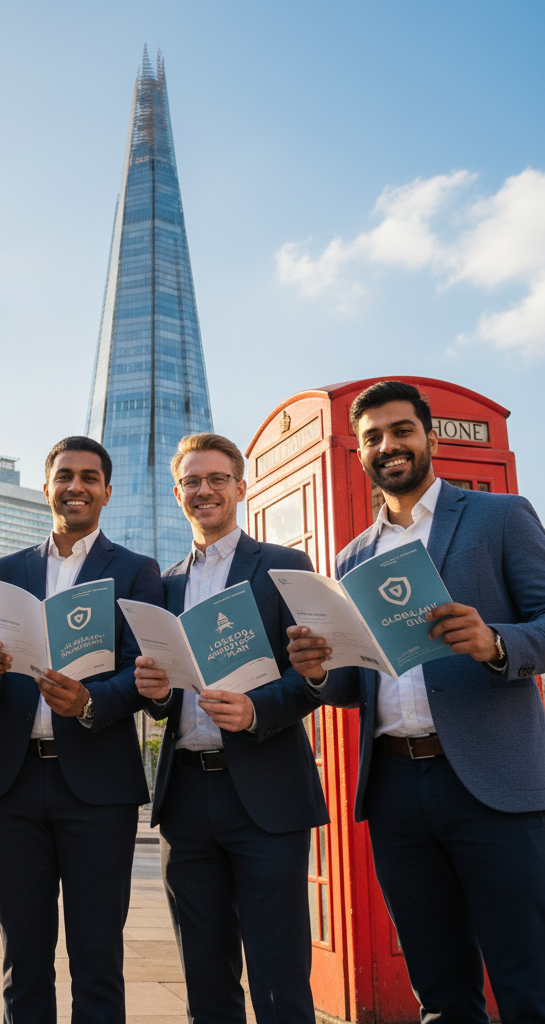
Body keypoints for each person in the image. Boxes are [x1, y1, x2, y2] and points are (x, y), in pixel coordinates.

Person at [287, 380, 545, 1023]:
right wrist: (320, 672)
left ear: (429, 438)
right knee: (439, 990)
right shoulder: (352, 556)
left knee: (527, 981)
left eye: (401, 430)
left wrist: (493, 642)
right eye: (372, 436)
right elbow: (360, 681)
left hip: (494, 783)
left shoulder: (501, 517)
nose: (388, 445)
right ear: (359, 455)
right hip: (396, 784)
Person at [0, 435, 164, 1024]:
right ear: (48, 485)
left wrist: (89, 702)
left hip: (98, 787)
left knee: (97, 956)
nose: (74, 487)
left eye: (87, 477)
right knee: (21, 958)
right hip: (12, 782)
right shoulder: (5, 569)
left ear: (106, 490)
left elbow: (147, 672)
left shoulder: (135, 570)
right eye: (63, 476)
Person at [133, 433, 327, 1024]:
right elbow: (163, 702)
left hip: (267, 794)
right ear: (177, 494)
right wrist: (158, 695)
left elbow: (319, 673)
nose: (205, 490)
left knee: (280, 977)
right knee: (206, 980)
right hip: (187, 796)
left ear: (241, 489)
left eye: (217, 478)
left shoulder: (286, 566)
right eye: (192, 481)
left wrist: (257, 710)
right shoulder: (162, 585)